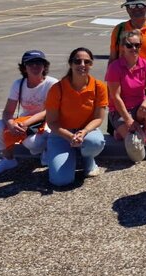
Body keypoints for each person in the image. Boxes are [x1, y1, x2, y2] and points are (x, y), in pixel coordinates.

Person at [44, 47, 107, 186]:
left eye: (87, 62)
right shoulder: (57, 88)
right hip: (61, 134)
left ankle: (87, 158)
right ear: (71, 64)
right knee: (61, 181)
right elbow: (52, 122)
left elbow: (98, 118)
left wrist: (83, 132)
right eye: (78, 61)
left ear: (91, 64)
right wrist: (69, 136)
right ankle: (65, 154)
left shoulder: (99, 87)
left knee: (95, 142)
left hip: (85, 132)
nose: (82, 65)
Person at [0, 50, 57, 175]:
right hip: (25, 122)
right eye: (30, 63)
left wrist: (26, 124)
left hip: (46, 122)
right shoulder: (18, 84)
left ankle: (46, 150)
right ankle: (8, 159)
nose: (35, 66)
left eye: (38, 62)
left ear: (45, 66)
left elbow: (49, 111)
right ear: (24, 67)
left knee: (33, 143)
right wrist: (11, 124)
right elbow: (8, 112)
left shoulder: (52, 83)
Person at [105, 30, 146, 160]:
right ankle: (123, 130)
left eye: (137, 45)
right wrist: (128, 119)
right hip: (120, 112)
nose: (134, 48)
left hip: (139, 108)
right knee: (133, 144)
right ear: (122, 47)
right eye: (129, 45)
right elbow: (115, 96)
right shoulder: (115, 67)